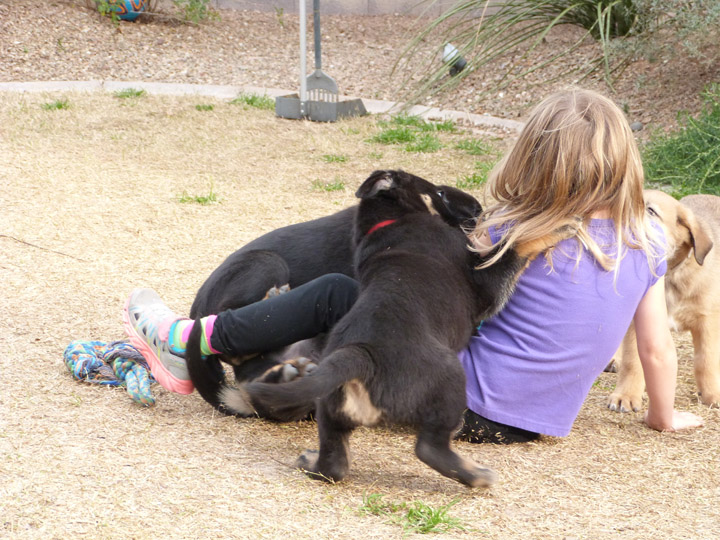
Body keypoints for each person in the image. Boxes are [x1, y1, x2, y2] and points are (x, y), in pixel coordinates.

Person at [124, 88, 703, 442]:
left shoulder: (511, 233)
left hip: (446, 393)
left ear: (530, 161)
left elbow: (451, 309)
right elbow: (654, 349)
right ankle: (289, 381)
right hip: (535, 425)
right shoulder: (650, 241)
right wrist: (663, 416)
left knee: (336, 295)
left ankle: (187, 337)